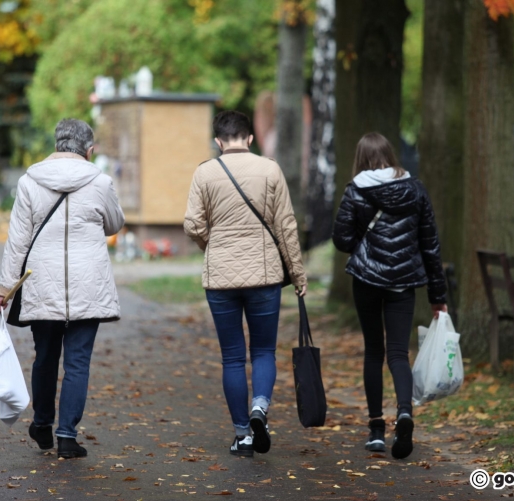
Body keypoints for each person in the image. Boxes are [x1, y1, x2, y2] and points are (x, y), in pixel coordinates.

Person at [0, 118, 125, 459]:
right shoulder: (101, 181)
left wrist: (5, 288)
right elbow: (114, 223)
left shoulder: (29, 182)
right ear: (89, 150)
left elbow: (18, 240)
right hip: (89, 286)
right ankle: (67, 435)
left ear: (56, 146)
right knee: (78, 362)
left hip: (42, 282)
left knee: (46, 356)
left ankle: (41, 423)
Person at [184, 110, 308, 457]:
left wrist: (214, 244)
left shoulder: (205, 172)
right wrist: (297, 273)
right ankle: (260, 409)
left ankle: (242, 434)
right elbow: (286, 225)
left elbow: (192, 224)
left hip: (221, 280)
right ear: (250, 139)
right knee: (264, 351)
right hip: (265, 276)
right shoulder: (270, 169)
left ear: (218, 141)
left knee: (233, 358)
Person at [332, 132, 447, 460]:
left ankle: (375, 430)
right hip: (403, 282)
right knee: (398, 353)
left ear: (361, 159)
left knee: (373, 352)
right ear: (389, 155)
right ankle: (404, 414)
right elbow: (430, 245)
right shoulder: (417, 189)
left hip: (366, 280)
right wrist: (438, 296)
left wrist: (363, 247)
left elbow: (341, 238)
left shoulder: (355, 189)